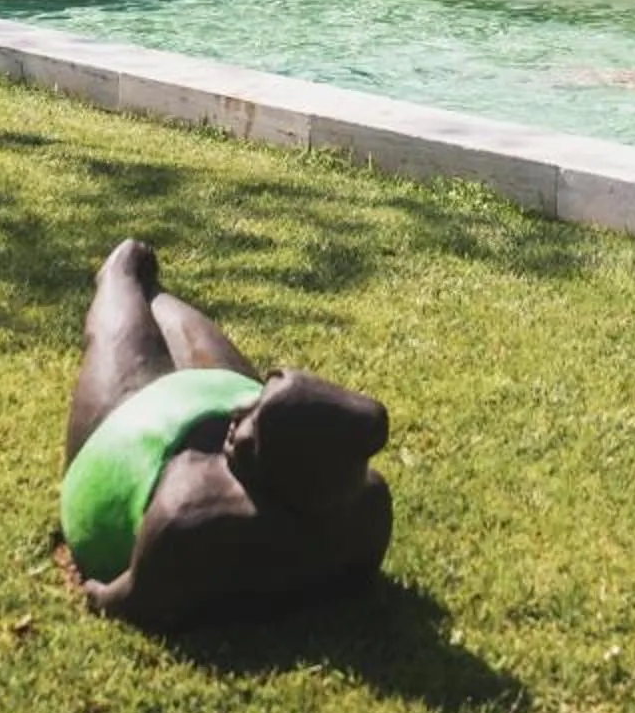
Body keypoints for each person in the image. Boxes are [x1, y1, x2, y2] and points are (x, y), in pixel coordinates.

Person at [60, 240, 392, 631]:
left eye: (254, 419)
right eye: (259, 400)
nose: (240, 412)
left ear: (289, 463)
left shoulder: (187, 516)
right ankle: (148, 288)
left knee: (123, 298)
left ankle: (121, 273)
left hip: (132, 425)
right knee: (159, 305)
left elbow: (125, 597)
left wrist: (95, 592)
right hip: (217, 387)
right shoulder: (365, 499)